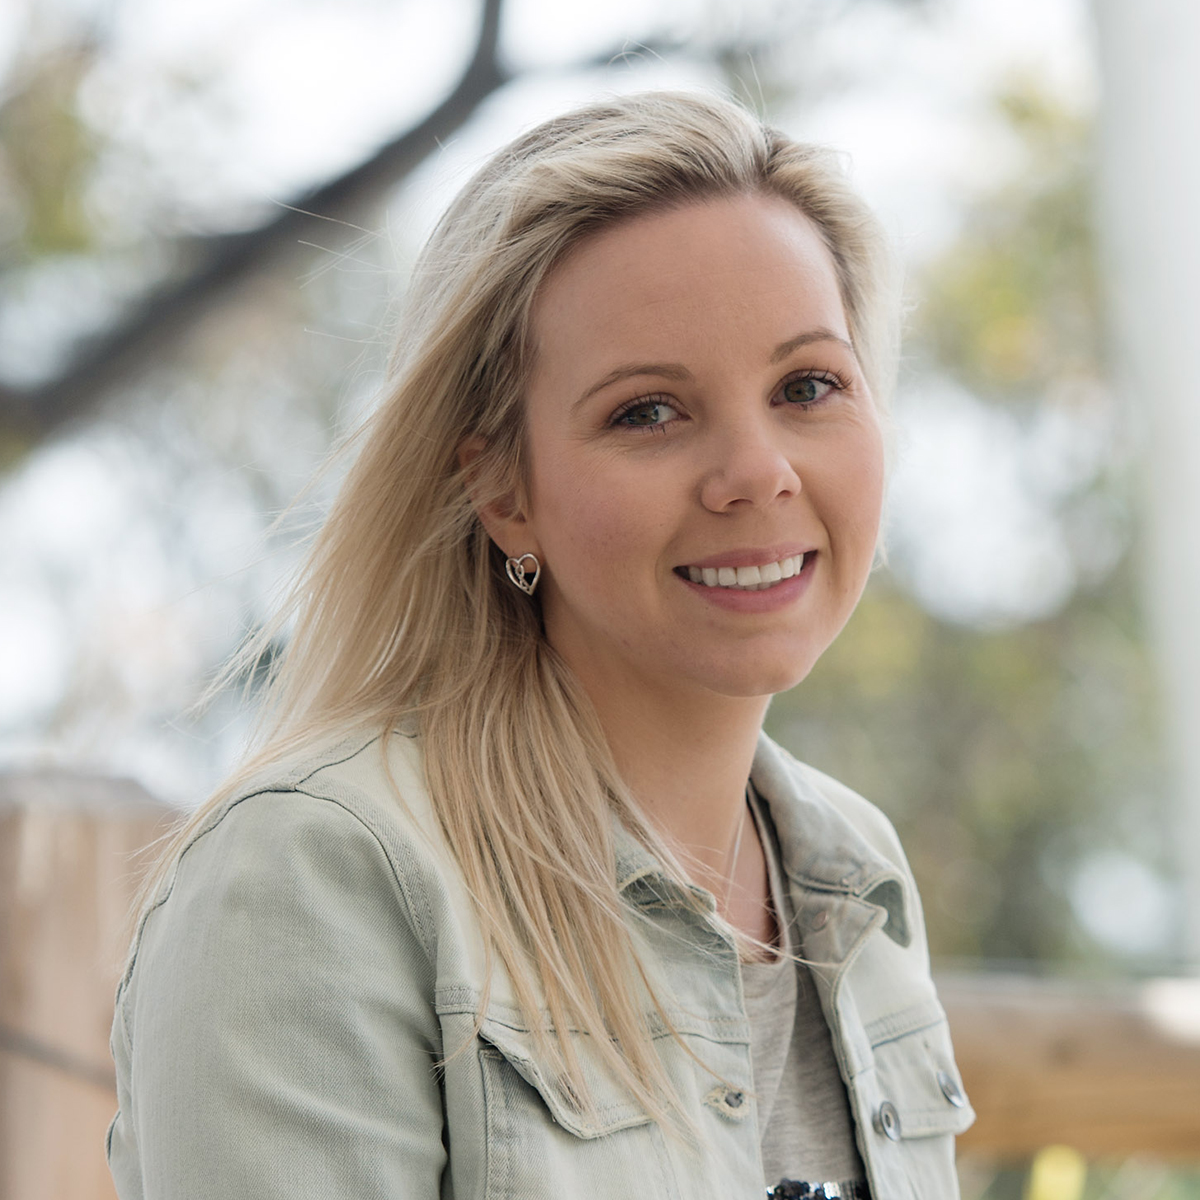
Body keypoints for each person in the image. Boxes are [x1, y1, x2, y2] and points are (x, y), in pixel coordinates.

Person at [106, 90, 974, 1200]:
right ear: (503, 491)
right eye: (647, 411)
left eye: (808, 386)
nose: (758, 472)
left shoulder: (856, 873)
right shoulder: (315, 878)